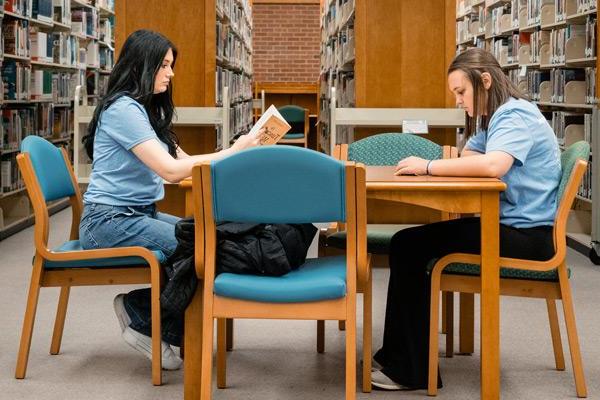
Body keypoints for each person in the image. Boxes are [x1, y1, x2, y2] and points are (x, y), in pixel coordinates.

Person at [370, 47, 561, 390]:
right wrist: (473, 143)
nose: (458, 101)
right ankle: (397, 355)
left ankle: (411, 370)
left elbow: (491, 166)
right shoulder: (499, 116)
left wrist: (427, 166)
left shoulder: (515, 115)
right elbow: (470, 153)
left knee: (409, 246)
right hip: (513, 225)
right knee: (407, 243)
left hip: (528, 237)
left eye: (462, 92)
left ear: (484, 81)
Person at [79, 29, 258, 370]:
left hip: (135, 214)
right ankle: (142, 315)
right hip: (108, 221)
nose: (171, 73)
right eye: (164, 65)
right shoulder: (122, 110)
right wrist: (233, 152)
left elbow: (188, 166)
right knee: (202, 247)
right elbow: (172, 172)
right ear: (141, 66)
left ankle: (153, 320)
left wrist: (239, 159)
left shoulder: (145, 111)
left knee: (207, 239)